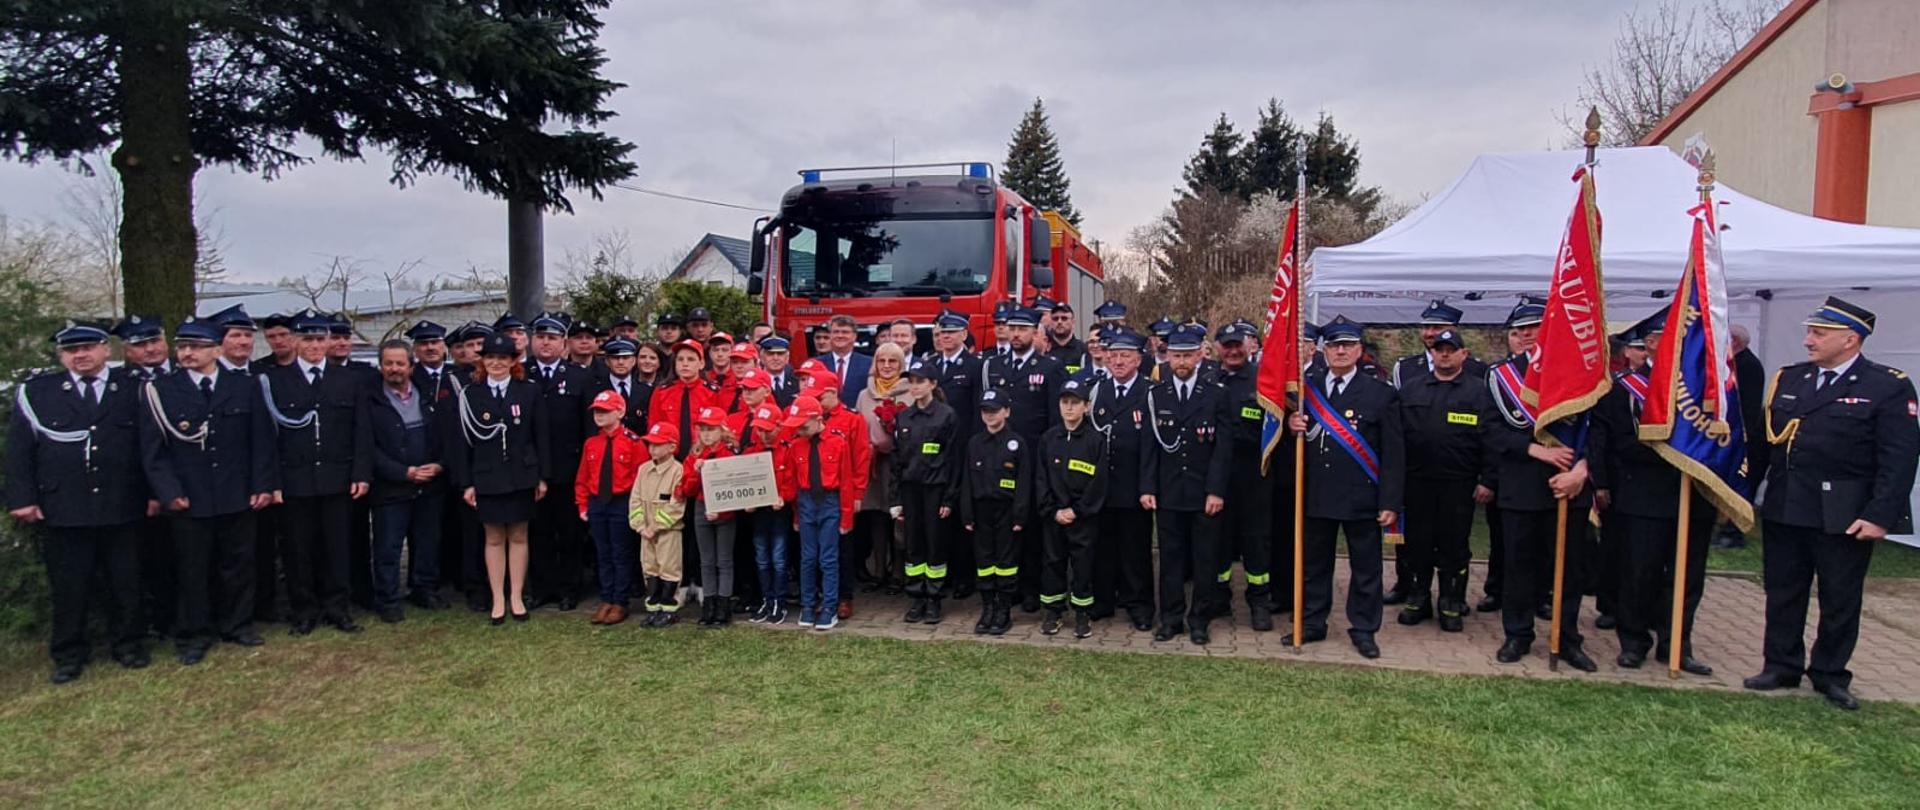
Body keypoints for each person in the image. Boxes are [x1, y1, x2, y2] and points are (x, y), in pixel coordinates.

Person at [1745, 297, 1918, 711]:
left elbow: (1899, 457)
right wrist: (1745, 495)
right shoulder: (1791, 379)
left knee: (1840, 596)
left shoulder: (1886, 385)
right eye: (1809, 332)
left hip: (1844, 509)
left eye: (1819, 334)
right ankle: (1781, 664)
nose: (1808, 341)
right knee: (1783, 590)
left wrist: (1880, 515)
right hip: (1788, 504)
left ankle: (1829, 673)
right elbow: (1763, 444)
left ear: (1850, 339)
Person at [8, 321, 151, 683]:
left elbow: (148, 449)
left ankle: (130, 645)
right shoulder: (39, 393)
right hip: (65, 508)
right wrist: (23, 499)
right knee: (70, 586)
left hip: (122, 504)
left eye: (88, 347)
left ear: (106, 350)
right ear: (62, 356)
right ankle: (69, 654)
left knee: (126, 582)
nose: (81, 355)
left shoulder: (132, 388)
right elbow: (19, 453)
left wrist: (154, 495)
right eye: (72, 350)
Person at [137, 317, 277, 664]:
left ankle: (238, 625)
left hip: (236, 492)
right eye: (183, 347)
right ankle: (194, 633)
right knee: (192, 569)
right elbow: (153, 452)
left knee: (238, 565)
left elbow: (261, 441)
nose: (188, 353)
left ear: (217, 349)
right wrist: (169, 492)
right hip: (190, 496)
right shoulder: (161, 390)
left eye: (196, 347)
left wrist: (261, 485)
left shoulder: (244, 386)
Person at [1589, 318, 1712, 674]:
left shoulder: (1705, 388)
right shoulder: (1626, 387)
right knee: (1638, 573)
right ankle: (1634, 642)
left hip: (1693, 493)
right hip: (1642, 493)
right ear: (1652, 344)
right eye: (1666, 338)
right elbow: (1613, 439)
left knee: (1686, 577)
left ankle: (1677, 645)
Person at [1485, 300, 1599, 672]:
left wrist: (1582, 469)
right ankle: (1517, 634)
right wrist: (1535, 449)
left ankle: (1566, 638)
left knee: (1569, 569)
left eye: (1532, 329)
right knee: (1519, 565)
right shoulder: (1499, 377)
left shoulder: (1585, 377)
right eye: (1517, 332)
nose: (1524, 337)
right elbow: (1489, 430)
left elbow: (1602, 431)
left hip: (1571, 486)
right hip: (1522, 486)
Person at [1283, 316, 1403, 659]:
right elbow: (1299, 444)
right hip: (1317, 492)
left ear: (1359, 351)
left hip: (1361, 495)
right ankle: (1311, 622)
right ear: (1324, 350)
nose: (1340, 351)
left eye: (1347, 345)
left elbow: (1395, 453)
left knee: (1366, 568)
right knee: (1313, 564)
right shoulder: (1308, 387)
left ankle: (1364, 628)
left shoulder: (1380, 393)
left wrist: (1391, 500)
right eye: (1334, 345)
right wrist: (1293, 426)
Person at [257, 310, 373, 636]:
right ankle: (304, 610)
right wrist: (274, 482)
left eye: (320, 339)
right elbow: (268, 439)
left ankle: (338, 608)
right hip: (295, 481)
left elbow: (361, 431)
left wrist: (360, 474)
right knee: (298, 550)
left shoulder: (348, 379)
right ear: (294, 341)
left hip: (338, 479)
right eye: (307, 339)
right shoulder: (275, 381)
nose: (314, 346)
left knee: (338, 548)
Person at [1140, 324, 1234, 645]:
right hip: (1168, 493)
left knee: (1205, 560)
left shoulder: (1216, 394)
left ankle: (1199, 620)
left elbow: (1223, 450)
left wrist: (1216, 491)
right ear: (1166, 358)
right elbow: (1149, 448)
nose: (1181, 362)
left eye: (1187, 355)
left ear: (1199, 355)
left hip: (1203, 494)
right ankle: (1171, 619)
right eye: (1175, 355)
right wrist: (1147, 488)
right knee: (1170, 559)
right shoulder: (1155, 395)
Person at [447, 332, 550, 625]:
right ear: (483, 361)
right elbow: (462, 443)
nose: (496, 363)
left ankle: (516, 596)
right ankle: (497, 598)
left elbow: (540, 436)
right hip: (487, 477)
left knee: (519, 535)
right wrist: (466, 483)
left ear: (513, 361)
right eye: (490, 357)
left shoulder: (528, 391)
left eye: (502, 358)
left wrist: (542, 477)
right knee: (493, 538)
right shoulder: (470, 394)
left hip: (521, 475)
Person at [1394, 328, 1492, 632]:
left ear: (1464, 354)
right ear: (1432, 353)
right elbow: (1397, 439)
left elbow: (1490, 440)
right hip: (1417, 482)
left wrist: (1488, 479)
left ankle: (1451, 601)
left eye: (1451, 349)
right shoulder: (1410, 389)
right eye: (1439, 349)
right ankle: (1417, 598)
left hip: (1459, 484)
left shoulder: (1479, 391)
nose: (1444, 354)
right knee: (1417, 544)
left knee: (1454, 545)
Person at [981, 306, 1066, 612]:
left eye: (1022, 329)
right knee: (1004, 524)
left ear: (1035, 333)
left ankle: (1032, 587)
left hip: (1033, 457)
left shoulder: (1050, 367)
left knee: (1030, 524)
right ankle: (1010, 586)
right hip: (1000, 459)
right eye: (1011, 328)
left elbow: (1055, 419)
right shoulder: (994, 366)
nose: (1015, 334)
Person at [364, 340, 446, 623]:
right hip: (391, 486)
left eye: (400, 363)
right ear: (380, 366)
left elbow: (443, 436)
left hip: (429, 482)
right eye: (388, 363)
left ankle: (424, 589)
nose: (394, 369)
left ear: (411, 366)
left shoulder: (427, 394)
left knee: (427, 542)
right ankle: (387, 599)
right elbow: (368, 447)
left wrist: (439, 465)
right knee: (388, 547)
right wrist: (403, 472)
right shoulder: (371, 399)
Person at [1210, 320, 1278, 632]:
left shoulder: (1265, 381)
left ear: (1249, 346)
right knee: (1219, 538)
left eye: (1239, 344)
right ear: (1218, 349)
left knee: (1256, 540)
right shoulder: (1209, 379)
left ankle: (1259, 600)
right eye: (1228, 345)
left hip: (1254, 475)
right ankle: (1219, 596)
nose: (1234, 351)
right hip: (1217, 475)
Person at [1088, 329, 1156, 631]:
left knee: (1135, 551)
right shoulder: (1096, 390)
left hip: (1133, 487)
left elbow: (1152, 447)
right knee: (1103, 548)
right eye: (1113, 355)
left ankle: (1138, 605)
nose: (1117, 361)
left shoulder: (1150, 392)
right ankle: (1103, 600)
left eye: (1125, 356)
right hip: (1102, 487)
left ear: (1138, 360)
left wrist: (1147, 487)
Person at [778, 396, 860, 631]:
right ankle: (807, 605)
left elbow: (845, 483)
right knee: (807, 557)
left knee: (828, 558)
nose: (800, 431)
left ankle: (829, 607)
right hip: (806, 503)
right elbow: (793, 481)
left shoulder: (837, 443)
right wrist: (795, 514)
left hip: (829, 502)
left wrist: (846, 518)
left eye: (804, 426)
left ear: (817, 419)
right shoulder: (796, 445)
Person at [527, 313, 592, 611]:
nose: (545, 342)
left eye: (552, 337)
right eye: (540, 336)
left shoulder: (579, 376)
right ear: (531, 341)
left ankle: (569, 588)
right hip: (531, 469)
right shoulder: (521, 374)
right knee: (537, 533)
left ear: (563, 343)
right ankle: (542, 588)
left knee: (569, 533)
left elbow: (588, 428)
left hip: (569, 468)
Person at [888, 358, 960, 624]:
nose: (915, 387)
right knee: (913, 546)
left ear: (933, 384)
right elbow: (896, 460)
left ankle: (934, 599)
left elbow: (952, 460)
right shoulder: (904, 416)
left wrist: (949, 498)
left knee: (935, 545)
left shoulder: (946, 415)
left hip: (935, 490)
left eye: (920, 382)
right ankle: (916, 597)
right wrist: (895, 498)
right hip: (910, 490)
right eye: (912, 382)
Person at [1037, 377, 1108, 639]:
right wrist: (1053, 510)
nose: (1069, 408)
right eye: (1064, 402)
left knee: (1083, 565)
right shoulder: (1048, 439)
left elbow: (1098, 482)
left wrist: (1077, 510)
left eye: (1075, 403)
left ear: (1086, 407)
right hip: (1054, 516)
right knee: (1053, 563)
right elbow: (1041, 478)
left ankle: (1082, 613)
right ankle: (1054, 611)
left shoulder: (1095, 440)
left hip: (1082, 518)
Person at [959, 389, 1033, 634]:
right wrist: (967, 513)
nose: (990, 415)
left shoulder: (1017, 443)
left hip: (1007, 511)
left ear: (1007, 412)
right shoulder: (975, 443)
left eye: (995, 410)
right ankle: (987, 607)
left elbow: (1024, 482)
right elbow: (967, 481)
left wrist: (1020, 514)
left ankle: (1003, 610)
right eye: (986, 411)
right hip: (981, 511)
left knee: (1006, 562)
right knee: (984, 561)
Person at [576, 390, 644, 625]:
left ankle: (620, 601)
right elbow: (583, 477)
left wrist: (637, 507)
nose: (600, 415)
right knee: (603, 554)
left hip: (621, 501)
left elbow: (640, 477)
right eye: (597, 411)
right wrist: (583, 503)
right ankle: (606, 597)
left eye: (605, 411)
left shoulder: (633, 442)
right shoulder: (591, 443)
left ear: (620, 412)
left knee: (621, 553)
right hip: (598, 503)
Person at [855, 343, 911, 608]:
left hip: (900, 465)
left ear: (901, 366)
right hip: (873, 466)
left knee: (897, 518)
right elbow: (858, 428)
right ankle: (878, 570)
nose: (887, 366)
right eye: (882, 361)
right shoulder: (864, 395)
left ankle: (898, 573)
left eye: (893, 361)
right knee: (875, 516)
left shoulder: (910, 392)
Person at [679, 406, 739, 626]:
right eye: (702, 429)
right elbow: (686, 490)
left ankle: (723, 605)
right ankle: (709, 605)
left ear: (722, 430)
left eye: (711, 429)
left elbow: (736, 487)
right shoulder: (694, 454)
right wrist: (695, 472)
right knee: (707, 560)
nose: (706, 434)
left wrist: (722, 510)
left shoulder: (730, 453)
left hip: (724, 512)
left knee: (724, 560)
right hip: (701, 509)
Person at [1715, 323, 1768, 549]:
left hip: (1745, 437)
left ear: (1734, 342)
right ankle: (1725, 526)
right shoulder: (1737, 363)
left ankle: (1733, 530)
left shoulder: (1747, 365)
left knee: (1740, 483)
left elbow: (1745, 406)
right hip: (1735, 435)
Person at [629, 423, 687, 626]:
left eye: (657, 444)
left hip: (668, 532)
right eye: (650, 444)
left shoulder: (678, 471)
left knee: (669, 569)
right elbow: (635, 500)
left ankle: (669, 608)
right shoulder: (643, 470)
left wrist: (656, 526)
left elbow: (676, 505)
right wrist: (640, 526)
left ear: (672, 447)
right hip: (645, 533)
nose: (652, 448)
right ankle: (653, 607)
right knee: (650, 568)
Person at [742, 406, 792, 625]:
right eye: (760, 430)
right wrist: (746, 502)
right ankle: (766, 599)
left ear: (779, 427)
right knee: (762, 559)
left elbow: (793, 481)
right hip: (759, 515)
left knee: (779, 560)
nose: (763, 435)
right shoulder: (751, 451)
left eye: (768, 430)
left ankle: (779, 602)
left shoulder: (787, 449)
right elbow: (742, 481)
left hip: (779, 513)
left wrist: (784, 497)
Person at [648, 339, 715, 461]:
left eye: (691, 359)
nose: (685, 364)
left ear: (701, 364)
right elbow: (654, 427)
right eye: (680, 359)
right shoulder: (661, 392)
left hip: (703, 457)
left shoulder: (713, 393)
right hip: (669, 458)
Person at [593, 337, 650, 432]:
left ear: (634, 361)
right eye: (615, 358)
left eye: (626, 357)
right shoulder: (594, 389)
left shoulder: (646, 391)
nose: (620, 362)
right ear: (607, 361)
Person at [820, 315, 871, 406]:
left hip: (857, 417)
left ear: (854, 336)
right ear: (830, 335)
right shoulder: (818, 364)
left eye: (845, 332)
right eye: (836, 332)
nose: (840, 335)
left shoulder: (869, 363)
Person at [1043, 302, 1090, 373]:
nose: (1059, 322)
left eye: (1064, 318)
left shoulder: (1083, 349)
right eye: (1055, 318)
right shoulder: (1044, 350)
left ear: (1073, 322)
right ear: (1051, 322)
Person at [759, 336, 801, 408]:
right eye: (770, 354)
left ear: (787, 357)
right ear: (762, 358)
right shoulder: (756, 382)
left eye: (780, 354)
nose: (775, 358)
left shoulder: (797, 381)